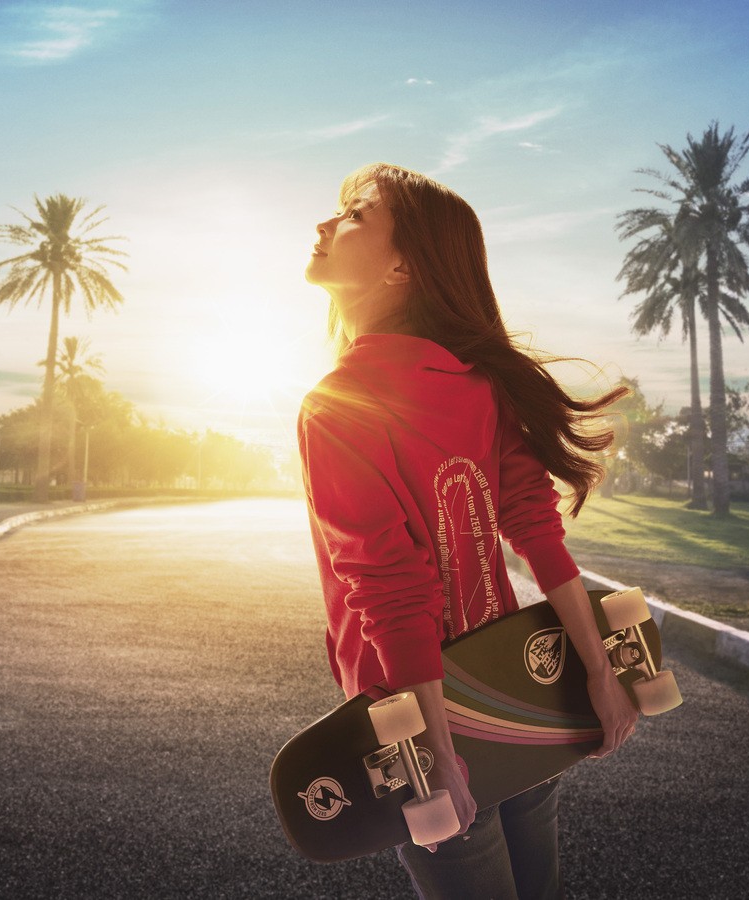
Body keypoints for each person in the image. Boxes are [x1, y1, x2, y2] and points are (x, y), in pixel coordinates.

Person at [297, 163, 639, 899]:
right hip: (513, 691)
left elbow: (392, 588)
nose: (325, 224)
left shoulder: (337, 405)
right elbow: (538, 536)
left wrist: (437, 754)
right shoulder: (480, 384)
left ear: (402, 265)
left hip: (413, 728)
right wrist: (597, 673)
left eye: (354, 214)